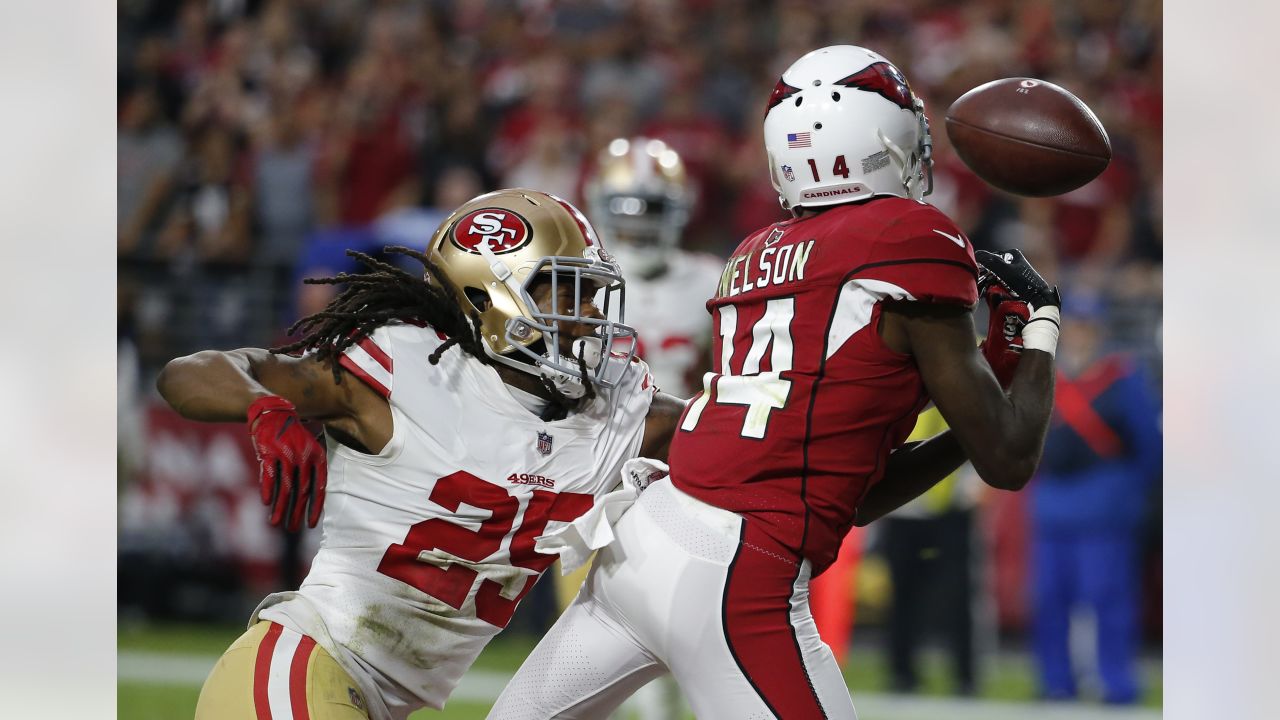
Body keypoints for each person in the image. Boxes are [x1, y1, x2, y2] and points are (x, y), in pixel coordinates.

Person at [488, 45, 1061, 720]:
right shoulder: (910, 237)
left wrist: (975, 410)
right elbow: (1011, 456)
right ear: (884, 139)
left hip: (645, 539)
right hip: (736, 568)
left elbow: (854, 494)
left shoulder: (755, 252)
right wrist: (1041, 323)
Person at [157, 188, 686, 720]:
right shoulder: (405, 368)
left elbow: (736, 435)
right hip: (303, 665)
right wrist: (264, 409)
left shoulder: (614, 415)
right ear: (488, 299)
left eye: (594, 293)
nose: (591, 315)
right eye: (571, 294)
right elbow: (187, 374)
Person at [1030, 295, 1161, 704]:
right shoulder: (1044, 375)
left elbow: (1151, 450)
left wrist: (1127, 493)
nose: (1081, 334)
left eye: (1088, 326)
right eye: (1076, 326)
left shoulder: (1121, 379)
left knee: (1108, 600)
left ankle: (1116, 683)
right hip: (1052, 506)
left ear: (1100, 331)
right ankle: (1055, 683)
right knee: (1048, 601)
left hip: (1104, 507)